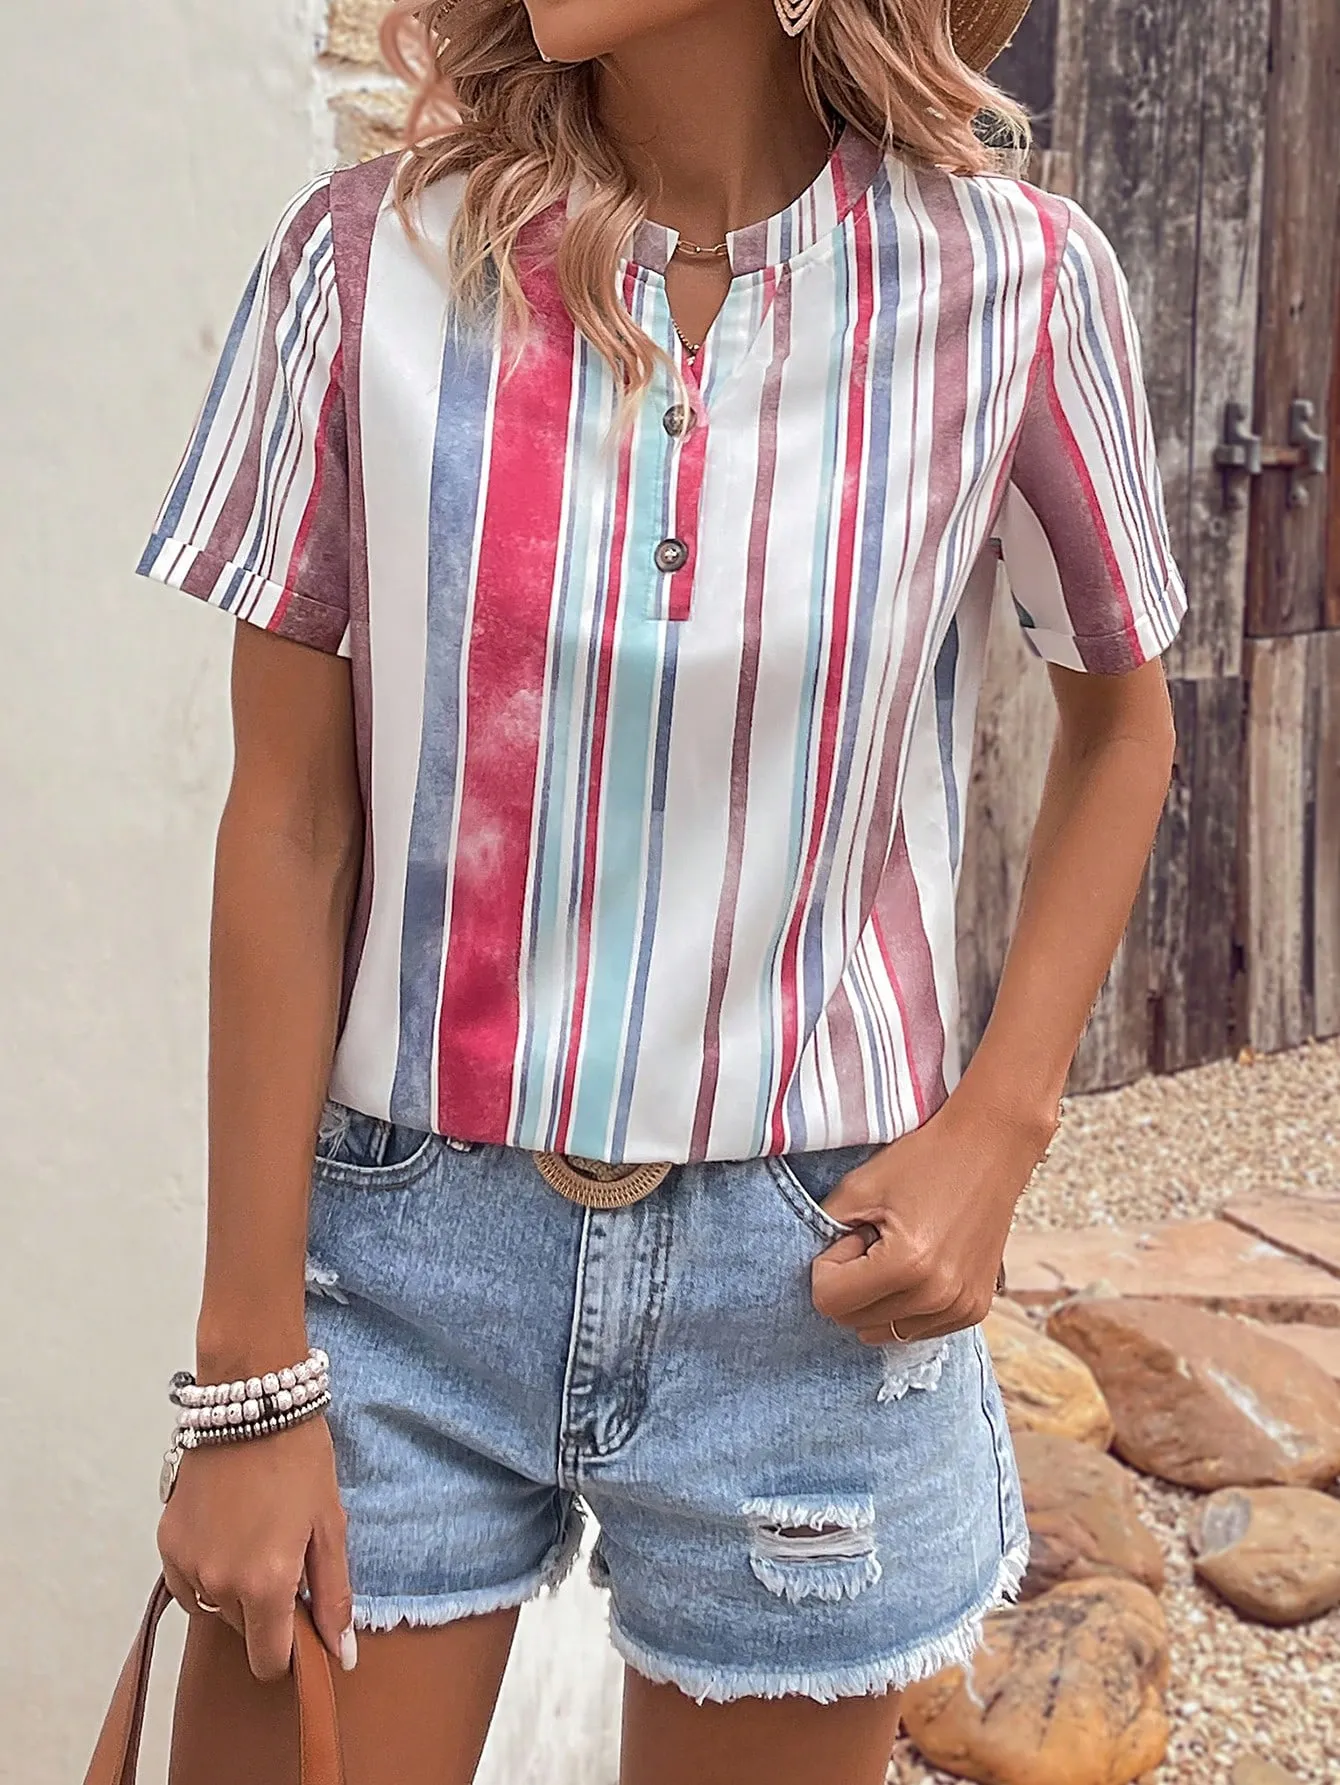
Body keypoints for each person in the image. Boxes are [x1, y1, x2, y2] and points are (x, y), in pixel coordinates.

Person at [138, 1, 1185, 1780]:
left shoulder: (1014, 283)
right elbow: (291, 819)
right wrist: (250, 1373)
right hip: (395, 1270)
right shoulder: (362, 266)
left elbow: (1123, 727)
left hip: (808, 1281)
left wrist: (1000, 1129)